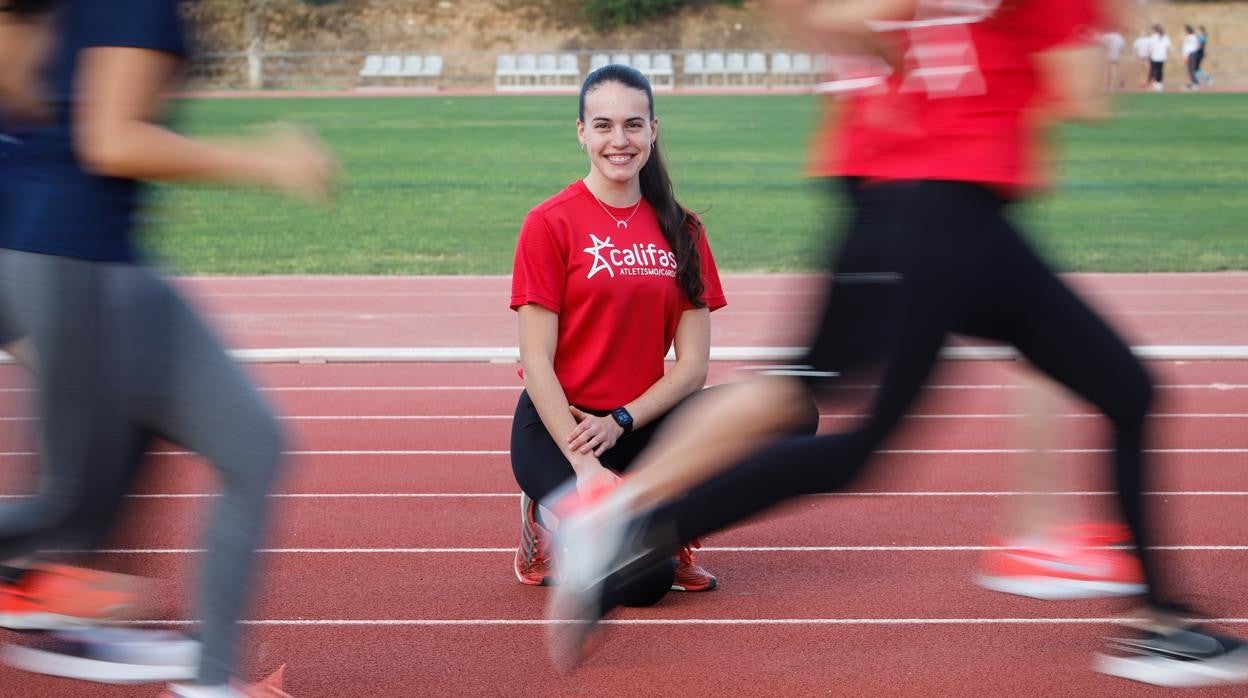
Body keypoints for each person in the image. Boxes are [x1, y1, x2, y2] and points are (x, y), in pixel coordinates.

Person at [544, 0, 1248, 687]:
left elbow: (829, 22)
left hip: (908, 208)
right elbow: (1085, 93)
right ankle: (629, 528)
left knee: (818, 397)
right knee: (858, 438)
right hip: (943, 210)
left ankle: (1147, 612)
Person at [0, 0, 336, 695]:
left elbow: (26, 90)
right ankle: (39, 593)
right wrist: (267, 163)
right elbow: (110, 140)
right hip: (73, 261)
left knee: (252, 443)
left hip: (93, 261)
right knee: (66, 507)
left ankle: (209, 684)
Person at [510, 64, 817, 594]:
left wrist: (621, 422)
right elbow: (536, 361)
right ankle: (547, 516)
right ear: (581, 132)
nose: (619, 140)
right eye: (603, 125)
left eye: (633, 124)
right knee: (646, 586)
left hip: (644, 426)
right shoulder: (550, 222)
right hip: (561, 431)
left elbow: (692, 367)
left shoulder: (684, 229)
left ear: (654, 129)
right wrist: (585, 463)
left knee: (792, 414)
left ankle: (670, 526)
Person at [1147, 24, 1171, 91]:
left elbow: (1149, 47)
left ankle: (1156, 83)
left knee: (1154, 70)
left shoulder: (1153, 37)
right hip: (1161, 57)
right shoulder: (1165, 38)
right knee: (1159, 70)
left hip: (1155, 57)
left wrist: (1149, 54)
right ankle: (1158, 83)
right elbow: (1168, 48)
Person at [1181, 25, 1201, 89]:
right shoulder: (1193, 37)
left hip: (1190, 54)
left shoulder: (1190, 37)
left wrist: (1186, 55)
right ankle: (1194, 82)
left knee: (1191, 69)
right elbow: (1198, 46)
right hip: (1192, 54)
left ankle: (1196, 83)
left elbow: (1187, 47)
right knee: (1190, 70)